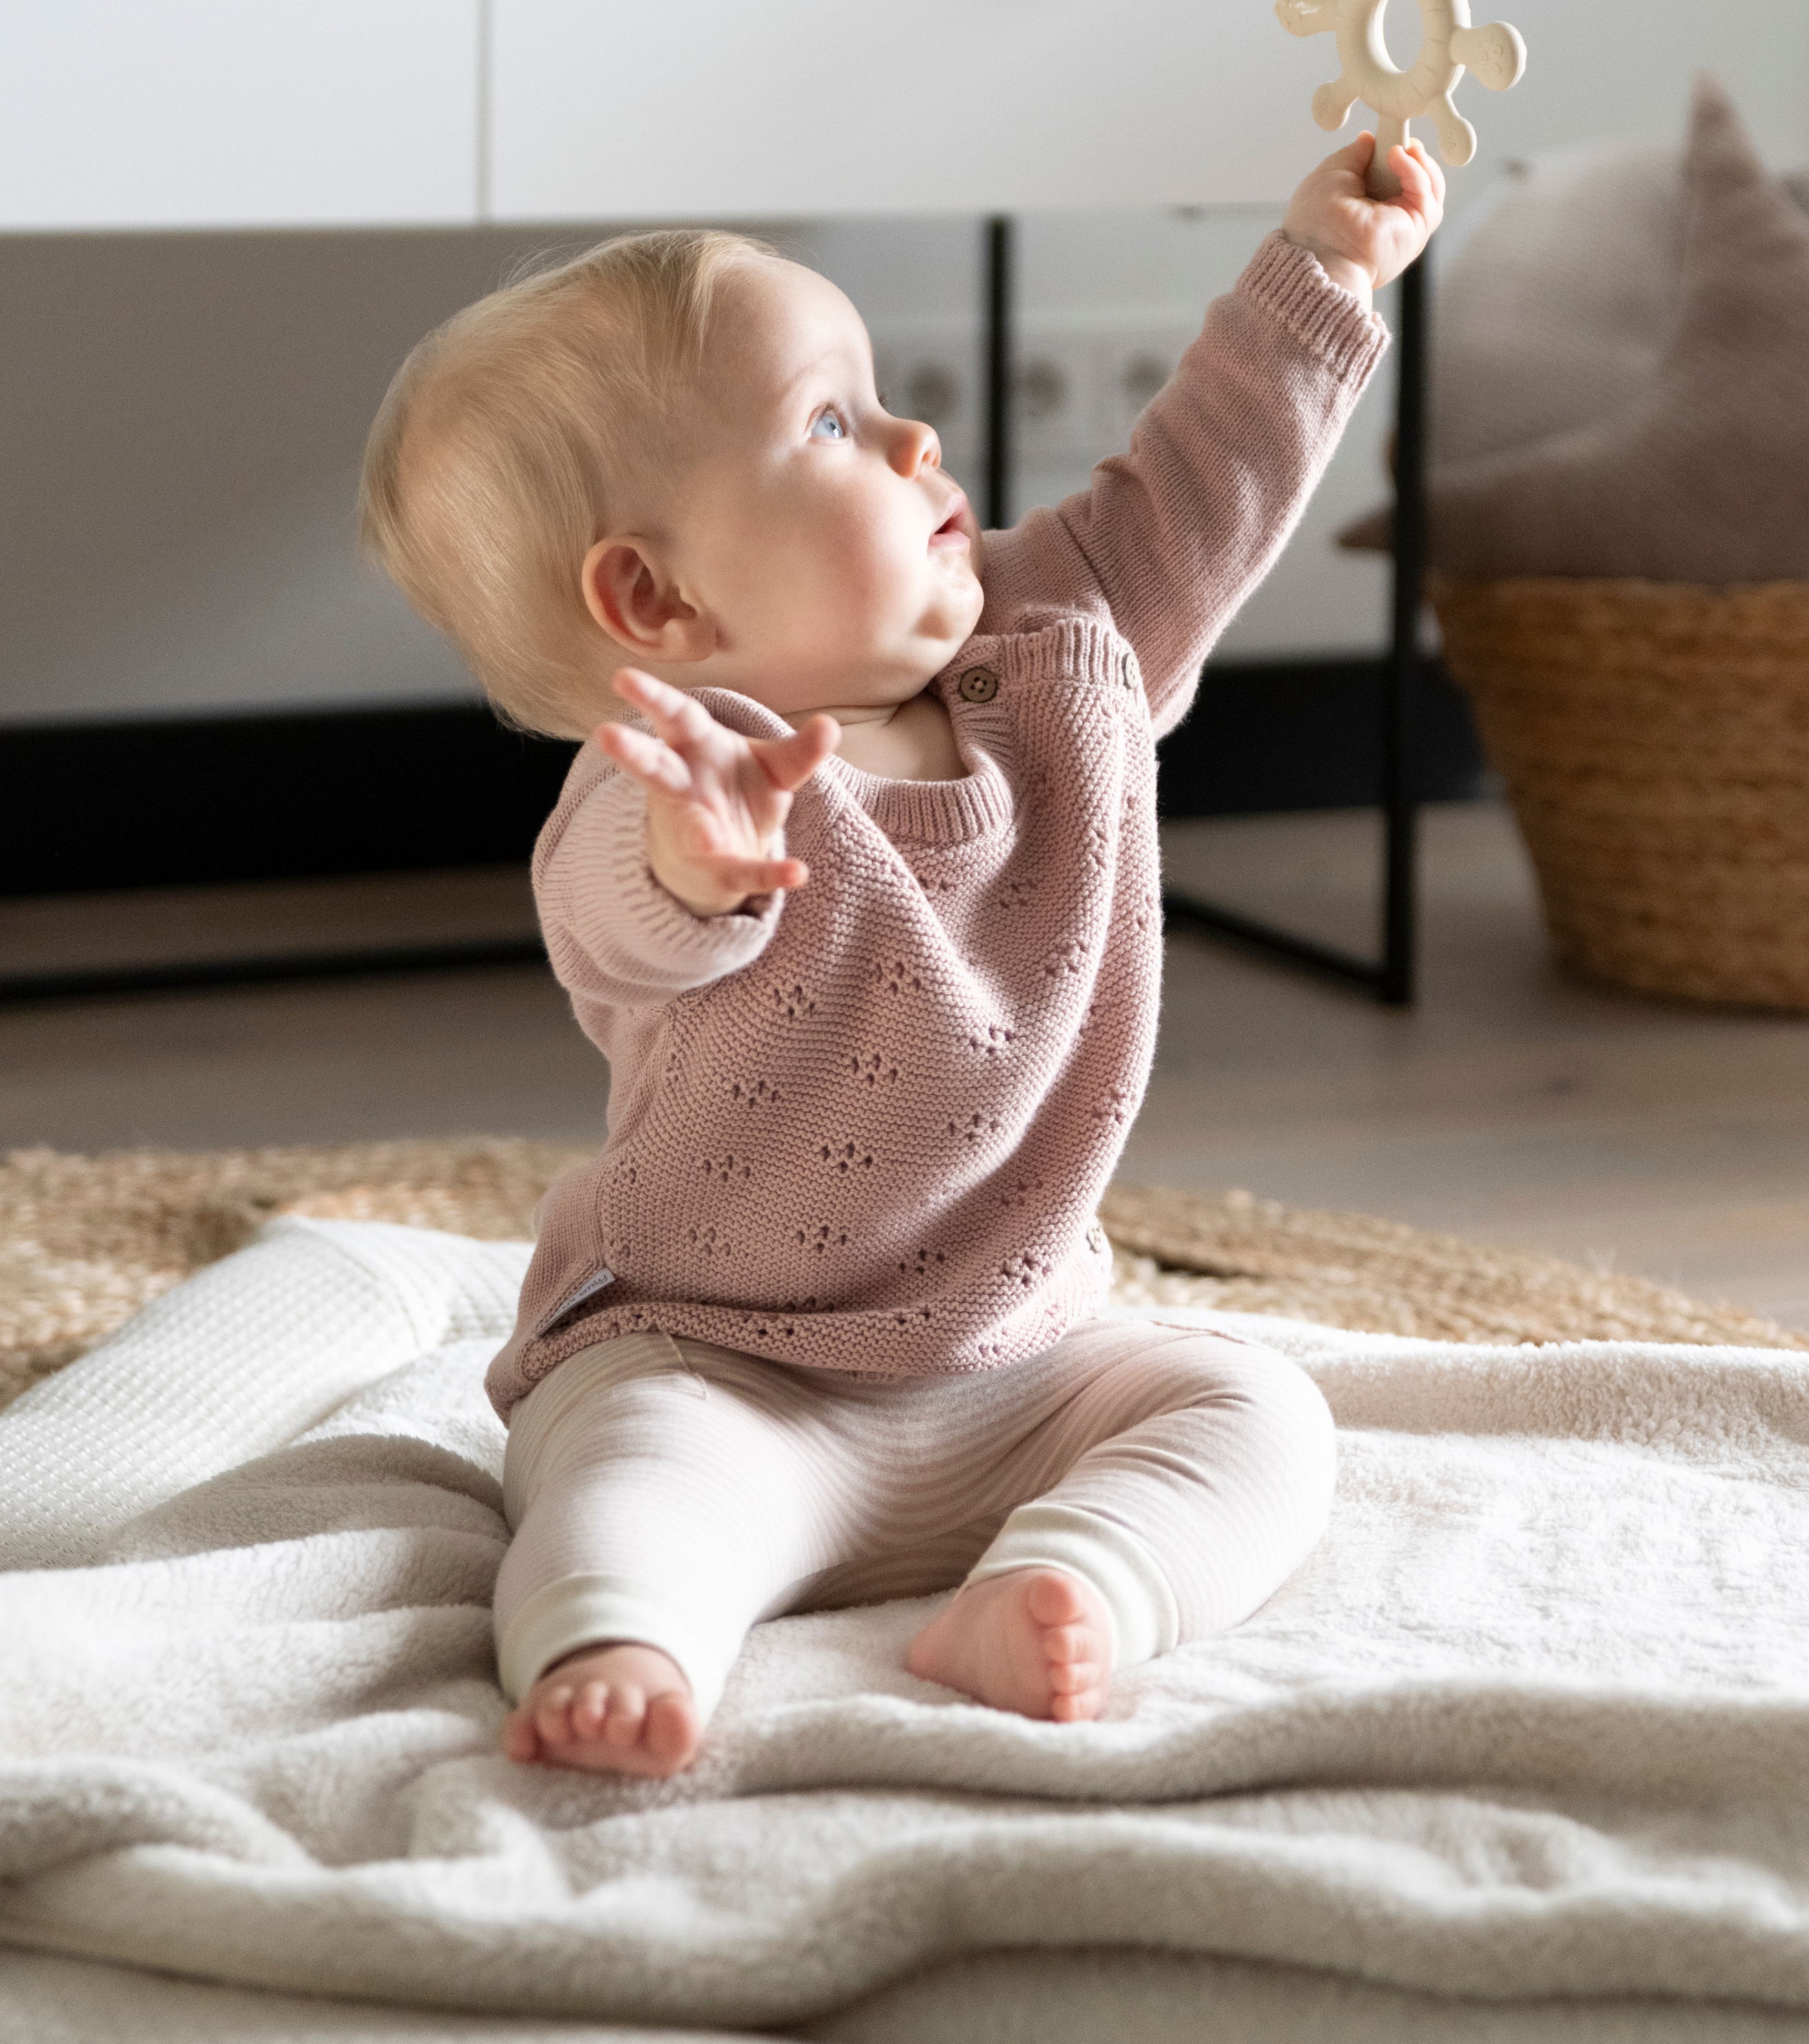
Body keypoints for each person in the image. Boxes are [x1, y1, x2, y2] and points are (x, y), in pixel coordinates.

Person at [360, 130, 1442, 1777]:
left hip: (1023, 1361)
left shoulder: (1052, 654)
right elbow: (616, 921)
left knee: (1260, 1418)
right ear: (656, 604)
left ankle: (1067, 1583)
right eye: (831, 423)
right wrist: (700, 860)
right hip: (717, 1366)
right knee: (624, 1487)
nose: (917, 435)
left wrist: (1323, 274)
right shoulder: (658, 790)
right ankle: (620, 1647)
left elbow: (1195, 497)